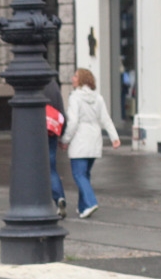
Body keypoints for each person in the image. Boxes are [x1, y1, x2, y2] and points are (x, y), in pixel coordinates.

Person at [61, 67, 121, 219]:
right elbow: (105, 119)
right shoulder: (98, 97)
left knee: (78, 174)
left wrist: (65, 140)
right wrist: (114, 137)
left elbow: (73, 122)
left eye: (75, 76)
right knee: (85, 174)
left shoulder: (75, 97)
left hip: (80, 140)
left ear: (81, 79)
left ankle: (90, 203)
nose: (73, 78)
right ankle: (82, 207)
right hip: (94, 140)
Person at [44, 77, 68, 218]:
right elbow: (61, 109)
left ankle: (39, 201)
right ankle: (59, 197)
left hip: (35, 130)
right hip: (51, 129)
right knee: (51, 165)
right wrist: (62, 132)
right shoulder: (52, 84)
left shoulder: (32, 80)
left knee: (35, 167)